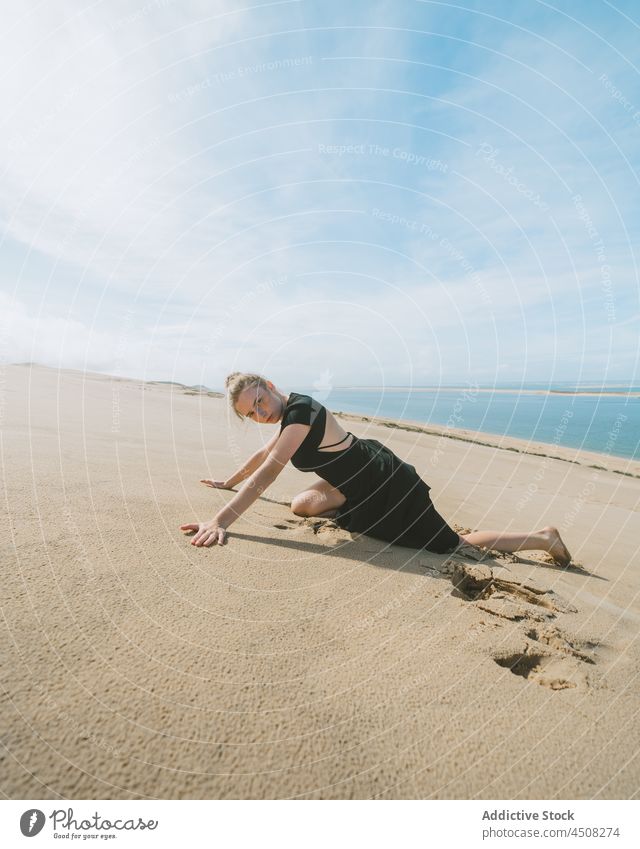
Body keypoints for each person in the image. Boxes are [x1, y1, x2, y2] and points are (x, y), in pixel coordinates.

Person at [180, 372, 573, 566]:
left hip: (384, 481)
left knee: (451, 544)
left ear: (268, 384)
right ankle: (349, 506)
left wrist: (220, 521)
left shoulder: (300, 411)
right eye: (252, 413)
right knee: (301, 505)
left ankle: (542, 537)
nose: (261, 413)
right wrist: (227, 483)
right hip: (352, 483)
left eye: (260, 401)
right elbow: (261, 458)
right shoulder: (285, 420)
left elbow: (268, 472)